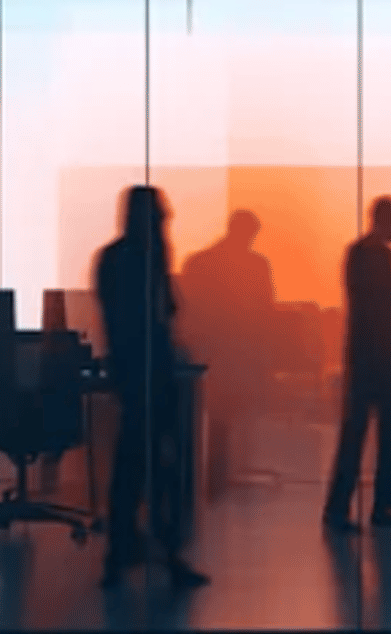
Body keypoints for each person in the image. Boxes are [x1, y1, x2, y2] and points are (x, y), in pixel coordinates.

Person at [97, 184, 209, 589]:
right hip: (147, 374)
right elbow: (160, 317)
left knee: (134, 467)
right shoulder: (142, 259)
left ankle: (123, 554)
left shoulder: (117, 258)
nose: (166, 221)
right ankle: (163, 555)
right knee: (156, 467)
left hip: (134, 375)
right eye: (161, 216)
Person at [323, 196, 391, 532]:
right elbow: (380, 315)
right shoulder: (368, 254)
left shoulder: (369, 253)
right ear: (384, 221)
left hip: (374, 360)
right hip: (375, 361)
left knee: (368, 435)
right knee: (365, 435)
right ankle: (362, 508)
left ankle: (365, 506)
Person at [178, 209, 277, 499]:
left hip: (214, 350)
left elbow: (189, 312)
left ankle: (214, 477)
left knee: (216, 415)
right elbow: (264, 311)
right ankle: (218, 477)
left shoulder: (200, 262)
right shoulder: (255, 265)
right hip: (236, 351)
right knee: (222, 413)